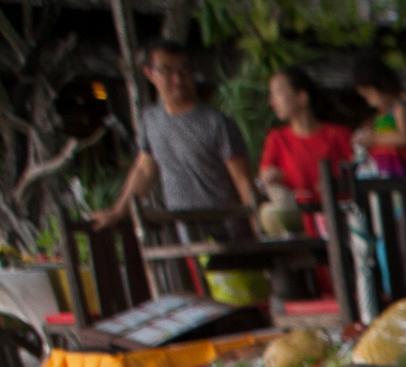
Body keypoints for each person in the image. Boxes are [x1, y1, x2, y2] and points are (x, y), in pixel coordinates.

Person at [92, 41, 256, 234]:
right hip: (183, 232)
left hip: (227, 231)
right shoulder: (150, 120)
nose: (178, 79)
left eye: (184, 70)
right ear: (150, 74)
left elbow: (242, 180)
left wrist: (258, 228)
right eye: (167, 71)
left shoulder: (218, 123)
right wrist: (118, 211)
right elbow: (144, 169)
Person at [258, 66, 353, 208]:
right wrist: (269, 179)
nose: (272, 102)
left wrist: (337, 184)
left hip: (339, 219)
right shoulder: (276, 139)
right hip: (297, 222)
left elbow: (359, 175)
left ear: (302, 97)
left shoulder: (338, 135)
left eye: (278, 93)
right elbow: (264, 177)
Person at [353, 58, 406, 175]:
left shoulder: (399, 104)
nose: (369, 101)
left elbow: (405, 137)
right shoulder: (379, 113)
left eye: (369, 95)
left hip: (396, 166)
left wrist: (373, 139)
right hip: (379, 166)